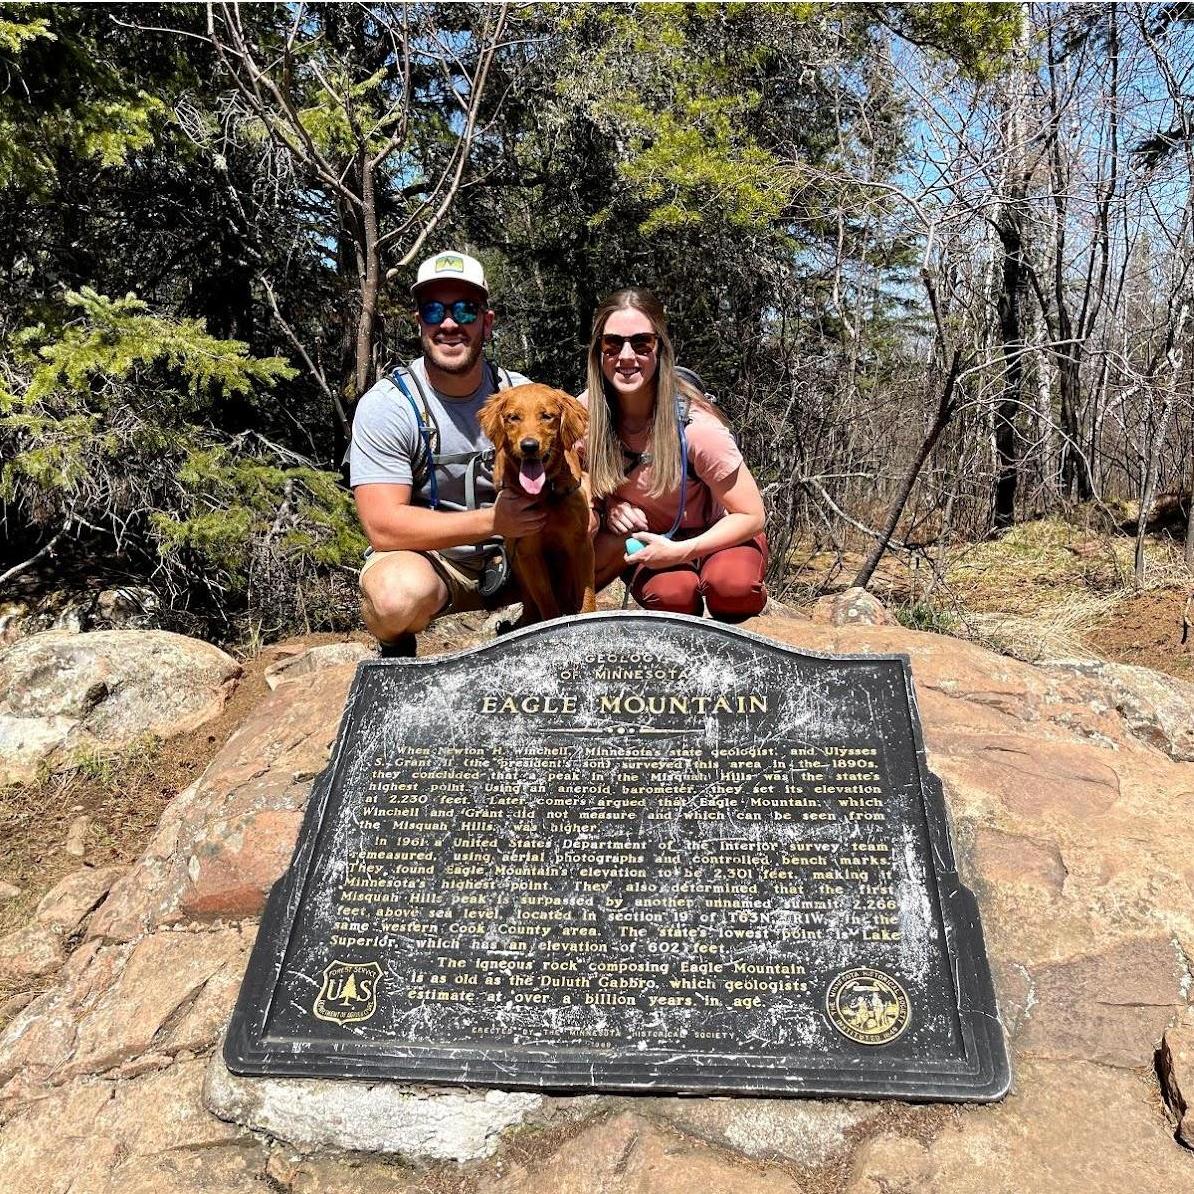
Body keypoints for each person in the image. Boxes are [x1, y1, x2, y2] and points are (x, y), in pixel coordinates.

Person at [350, 251, 544, 655]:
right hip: (437, 566)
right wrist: (493, 521)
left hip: (520, 559)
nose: (450, 324)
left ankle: (538, 626)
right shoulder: (389, 405)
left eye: (466, 310)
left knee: (598, 535)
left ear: (486, 322)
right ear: (419, 321)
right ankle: (397, 654)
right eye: (434, 310)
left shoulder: (522, 394)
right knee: (395, 596)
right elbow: (382, 526)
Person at [582, 288, 768, 621]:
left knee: (732, 588)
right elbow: (570, 482)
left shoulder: (698, 427)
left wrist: (682, 551)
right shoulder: (582, 417)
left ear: (660, 349)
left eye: (642, 343)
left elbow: (751, 516)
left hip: (719, 533)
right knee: (672, 597)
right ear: (598, 351)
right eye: (613, 344)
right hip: (651, 541)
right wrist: (609, 507)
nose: (626, 356)